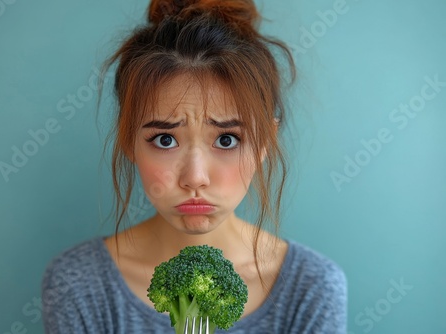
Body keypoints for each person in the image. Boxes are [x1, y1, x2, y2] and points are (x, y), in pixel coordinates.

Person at [41, 0, 347, 333]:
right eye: (164, 140)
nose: (195, 178)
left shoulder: (313, 287)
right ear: (128, 140)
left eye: (227, 140)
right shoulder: (78, 284)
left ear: (264, 143)